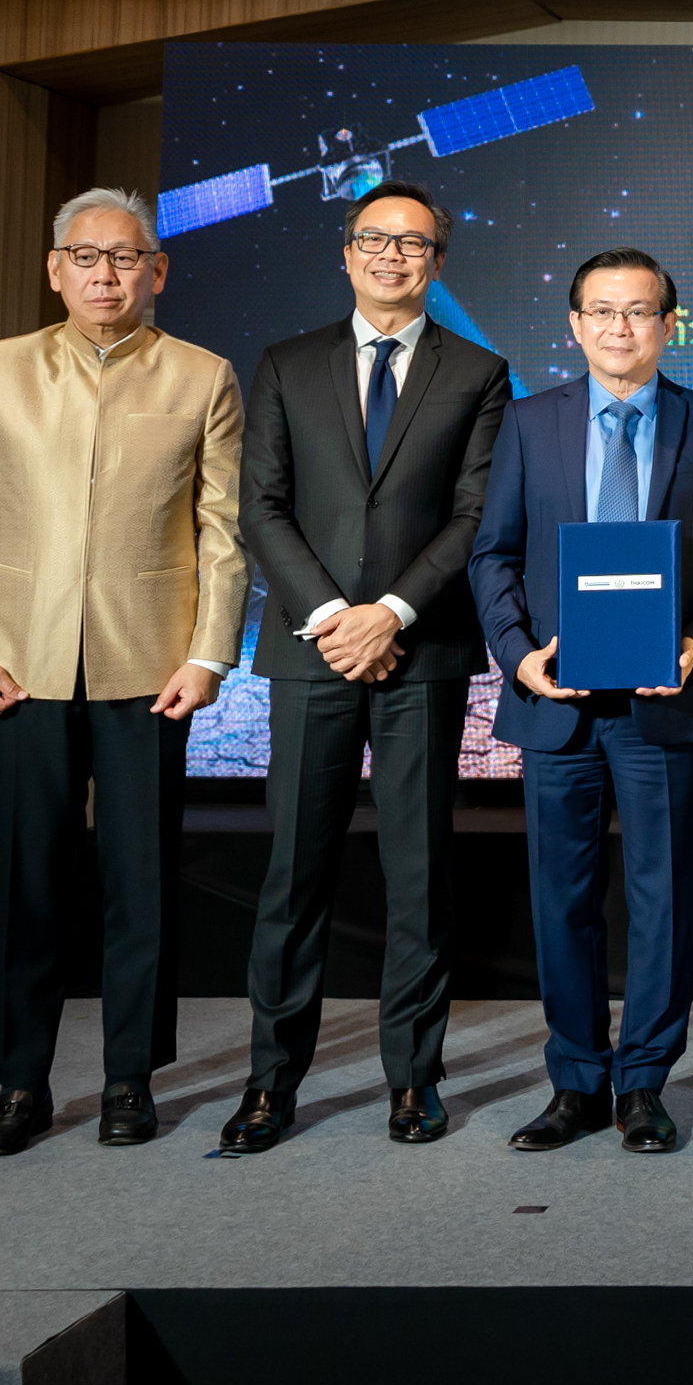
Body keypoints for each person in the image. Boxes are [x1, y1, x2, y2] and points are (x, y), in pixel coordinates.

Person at [0, 186, 249, 1157]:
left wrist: (209, 653)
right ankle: (20, 1082)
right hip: (19, 665)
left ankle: (128, 1078)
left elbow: (223, 530)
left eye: (125, 256)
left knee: (139, 880)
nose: (105, 274)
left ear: (158, 271)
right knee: (29, 880)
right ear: (55, 269)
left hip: (151, 665)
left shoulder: (203, 376)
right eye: (86, 256)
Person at [220, 182, 512, 1154]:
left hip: (421, 648)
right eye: (374, 240)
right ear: (346, 254)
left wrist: (389, 613)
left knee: (418, 876)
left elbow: (475, 513)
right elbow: (262, 505)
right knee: (293, 875)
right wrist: (333, 617)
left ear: (438, 260)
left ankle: (413, 1080)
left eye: (413, 243)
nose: (393, 255)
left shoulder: (479, 371)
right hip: (311, 651)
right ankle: (270, 1084)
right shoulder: (286, 362)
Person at [468, 247, 693, 1155]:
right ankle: (575, 1082)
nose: (619, 327)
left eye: (638, 311)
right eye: (601, 311)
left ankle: (644, 1084)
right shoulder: (528, 422)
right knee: (562, 899)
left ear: (668, 325)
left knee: (660, 898)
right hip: (556, 702)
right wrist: (518, 658)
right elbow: (492, 554)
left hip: (661, 702)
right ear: (574, 325)